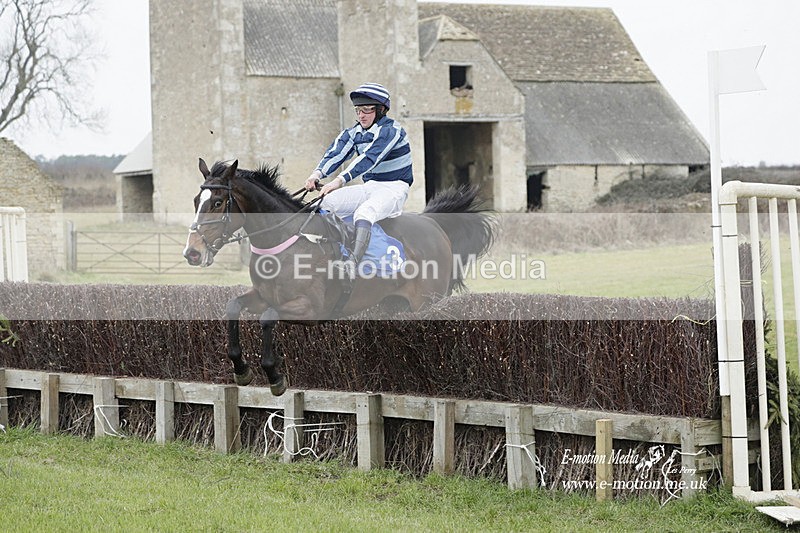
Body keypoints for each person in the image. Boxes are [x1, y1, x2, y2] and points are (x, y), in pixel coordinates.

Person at [304, 82, 413, 282]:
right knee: (324, 203)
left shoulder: (391, 131)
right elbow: (337, 153)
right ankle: (326, 254)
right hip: (369, 187)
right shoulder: (354, 132)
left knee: (364, 212)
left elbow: (370, 158)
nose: (361, 115)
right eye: (358, 110)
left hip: (394, 188)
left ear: (381, 111)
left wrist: (338, 181)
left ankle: (353, 263)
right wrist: (316, 175)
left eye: (366, 110)